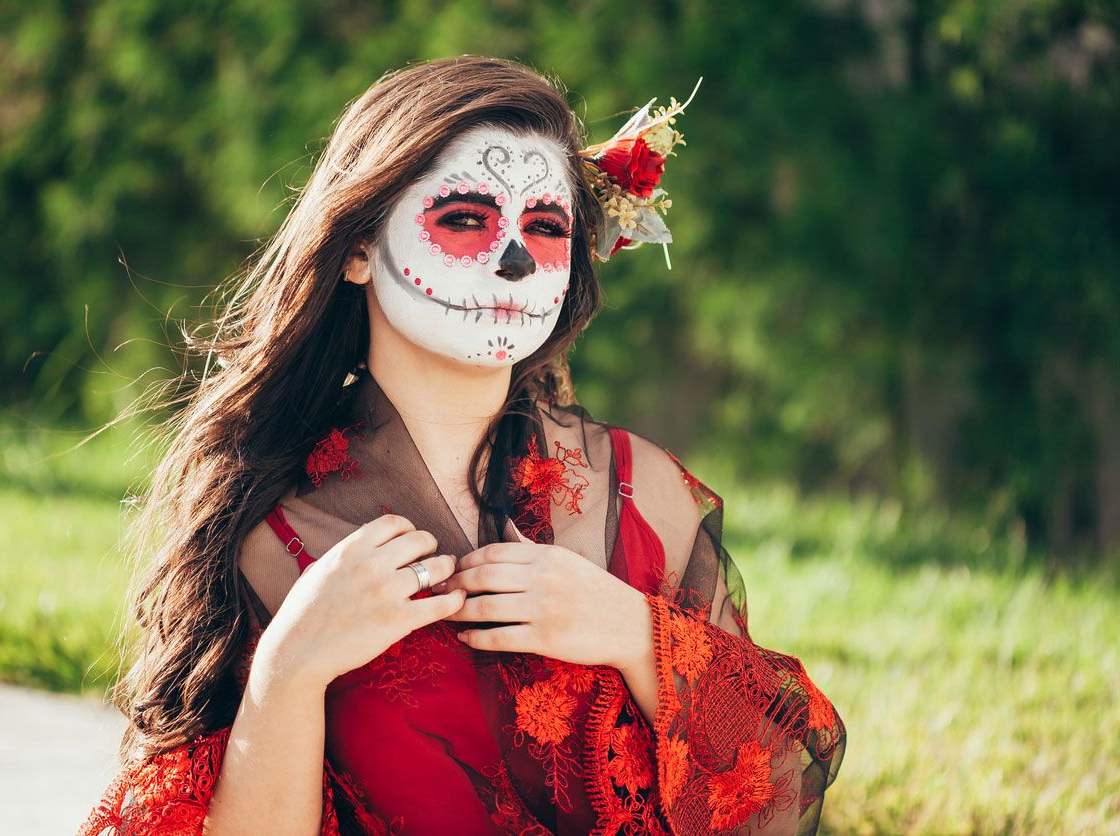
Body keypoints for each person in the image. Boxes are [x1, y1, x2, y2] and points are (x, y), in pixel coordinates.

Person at [77, 55, 846, 836]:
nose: (511, 260)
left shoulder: (643, 494)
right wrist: (292, 665)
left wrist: (633, 634)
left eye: (544, 228)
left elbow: (777, 779)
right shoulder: (267, 531)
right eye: (465, 219)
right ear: (358, 250)